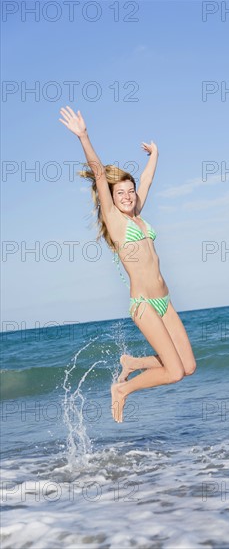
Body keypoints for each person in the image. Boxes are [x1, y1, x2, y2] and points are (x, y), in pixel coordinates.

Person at [59, 106, 196, 423]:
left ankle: (133, 362)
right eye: (120, 192)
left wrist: (155, 156)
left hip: (165, 301)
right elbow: (96, 170)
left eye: (130, 191)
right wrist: (84, 135)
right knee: (173, 372)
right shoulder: (117, 222)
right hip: (144, 304)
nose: (127, 195)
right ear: (111, 195)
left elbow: (146, 182)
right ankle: (122, 390)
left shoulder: (138, 215)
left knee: (188, 367)